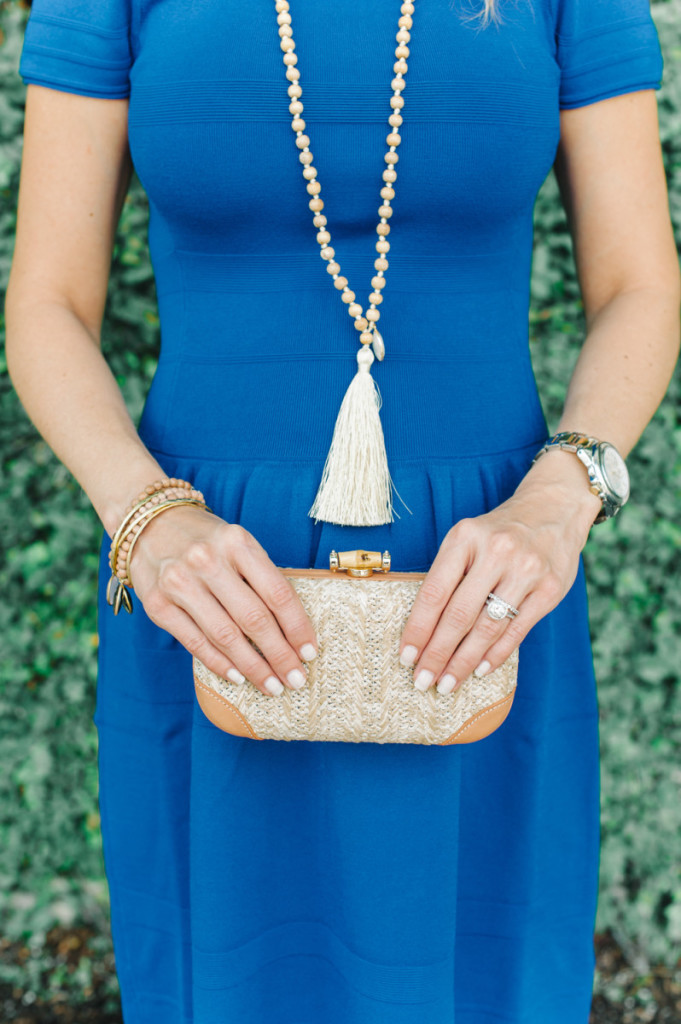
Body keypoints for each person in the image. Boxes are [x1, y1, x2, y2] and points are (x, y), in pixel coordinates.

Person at [5, 0, 680, 1021]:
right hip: (208, 577)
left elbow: (640, 282)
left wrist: (560, 498)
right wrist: (144, 515)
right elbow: (47, 300)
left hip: (487, 581)